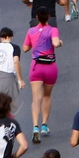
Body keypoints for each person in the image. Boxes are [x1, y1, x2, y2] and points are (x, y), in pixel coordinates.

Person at [23, 8, 61, 141]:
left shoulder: (31, 31)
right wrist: (59, 43)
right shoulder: (52, 29)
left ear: (37, 17)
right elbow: (56, 42)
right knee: (47, 95)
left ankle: (35, 126)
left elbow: (25, 48)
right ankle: (44, 124)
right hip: (50, 67)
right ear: (49, 16)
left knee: (36, 98)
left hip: (36, 67)